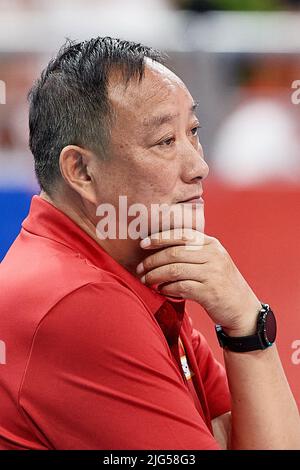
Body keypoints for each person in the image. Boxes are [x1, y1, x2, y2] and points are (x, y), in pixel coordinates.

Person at [0, 37, 299, 450]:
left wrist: (248, 324)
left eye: (192, 132)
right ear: (81, 170)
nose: (199, 166)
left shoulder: (132, 270)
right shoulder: (80, 303)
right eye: (165, 142)